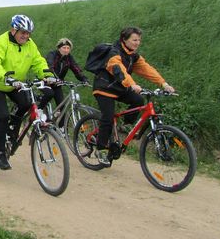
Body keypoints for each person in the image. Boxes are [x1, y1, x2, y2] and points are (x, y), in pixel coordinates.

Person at [0, 14, 54, 170]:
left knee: (26, 103)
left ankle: (12, 130)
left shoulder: (30, 44)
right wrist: (6, 78)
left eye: (28, 33)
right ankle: (0, 154)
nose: (26, 36)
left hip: (15, 84)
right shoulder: (0, 42)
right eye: (23, 32)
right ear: (13, 30)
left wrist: (47, 75)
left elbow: (38, 61)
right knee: (3, 115)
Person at [93, 26, 175, 161]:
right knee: (107, 117)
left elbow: (147, 70)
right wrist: (131, 84)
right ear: (124, 40)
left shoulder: (133, 56)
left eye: (139, 40)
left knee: (138, 100)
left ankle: (125, 126)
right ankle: (100, 148)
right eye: (134, 40)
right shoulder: (114, 53)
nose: (137, 43)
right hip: (104, 88)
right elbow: (118, 70)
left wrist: (163, 84)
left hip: (120, 88)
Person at [38, 38, 89, 124]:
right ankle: (39, 110)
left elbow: (76, 68)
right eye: (64, 48)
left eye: (68, 48)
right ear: (59, 48)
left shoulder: (69, 58)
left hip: (57, 84)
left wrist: (84, 79)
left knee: (62, 106)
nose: (66, 50)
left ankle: (62, 129)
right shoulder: (52, 54)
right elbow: (50, 66)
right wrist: (54, 78)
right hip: (46, 81)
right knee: (49, 94)